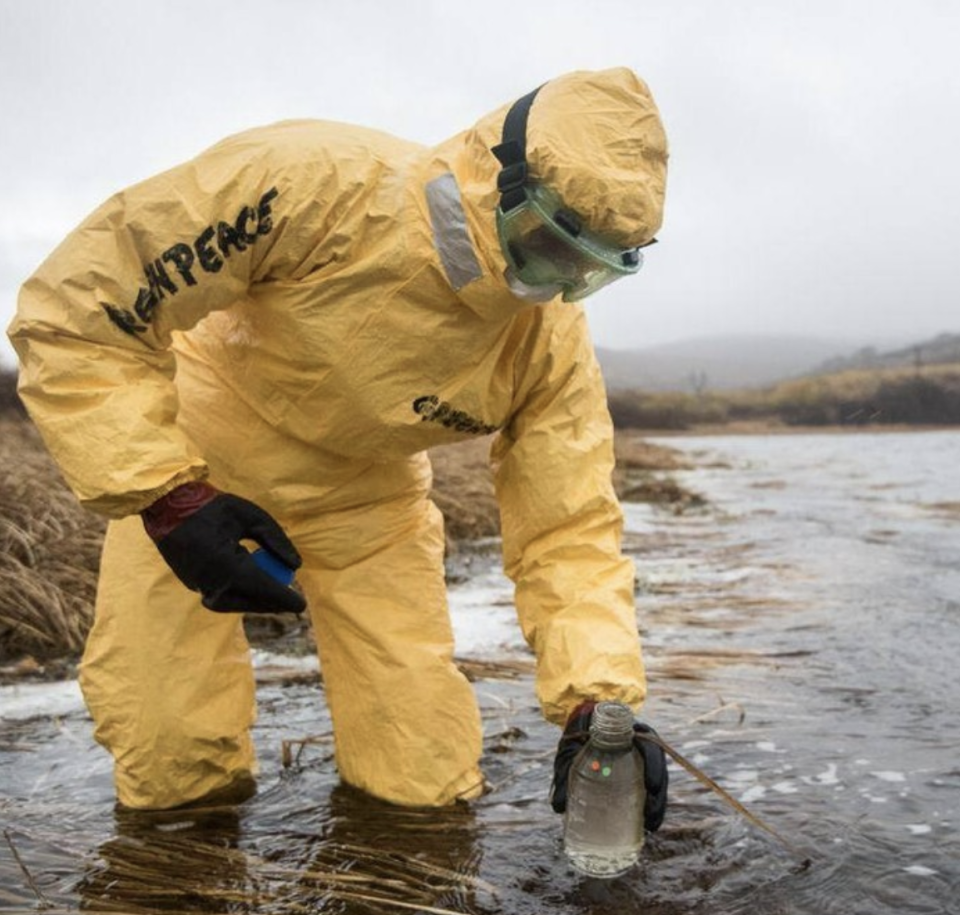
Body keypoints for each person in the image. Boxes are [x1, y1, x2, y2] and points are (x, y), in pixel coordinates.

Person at [8, 67, 670, 828]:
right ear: (499, 178)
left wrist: (597, 698)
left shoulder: (547, 344)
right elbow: (80, 309)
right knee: (171, 753)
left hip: (370, 506)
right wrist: (168, 498)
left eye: (590, 270)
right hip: (200, 463)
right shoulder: (310, 183)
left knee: (421, 776)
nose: (554, 284)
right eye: (547, 245)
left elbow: (568, 526)